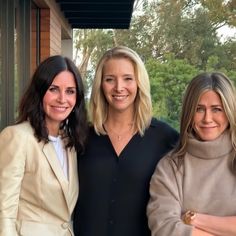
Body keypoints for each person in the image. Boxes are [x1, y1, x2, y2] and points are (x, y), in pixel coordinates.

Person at [73, 45, 179, 236]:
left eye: (128, 78)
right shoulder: (81, 137)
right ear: (100, 85)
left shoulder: (166, 139)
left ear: (139, 83)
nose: (119, 87)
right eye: (110, 79)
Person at [0, 55, 88, 236]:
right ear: (39, 92)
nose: (62, 99)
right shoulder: (17, 137)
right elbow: (4, 208)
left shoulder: (69, 142)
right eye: (54, 89)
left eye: (70, 91)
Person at [147, 72, 236, 236]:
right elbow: (164, 228)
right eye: (199, 109)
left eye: (217, 109)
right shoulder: (171, 166)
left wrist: (193, 219)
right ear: (189, 112)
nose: (207, 119)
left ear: (230, 111)